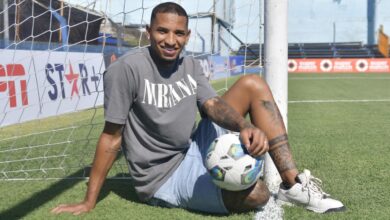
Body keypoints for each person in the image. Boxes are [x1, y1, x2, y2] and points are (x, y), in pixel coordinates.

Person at [51, 2, 345, 215]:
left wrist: (244, 127)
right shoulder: (126, 70)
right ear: (148, 31)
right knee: (257, 194)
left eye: (178, 33)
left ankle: (293, 185)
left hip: (191, 146)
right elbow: (111, 137)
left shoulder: (189, 64)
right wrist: (89, 201)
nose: (170, 40)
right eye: (162, 31)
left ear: (187, 35)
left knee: (253, 84)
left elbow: (212, 104)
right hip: (163, 178)